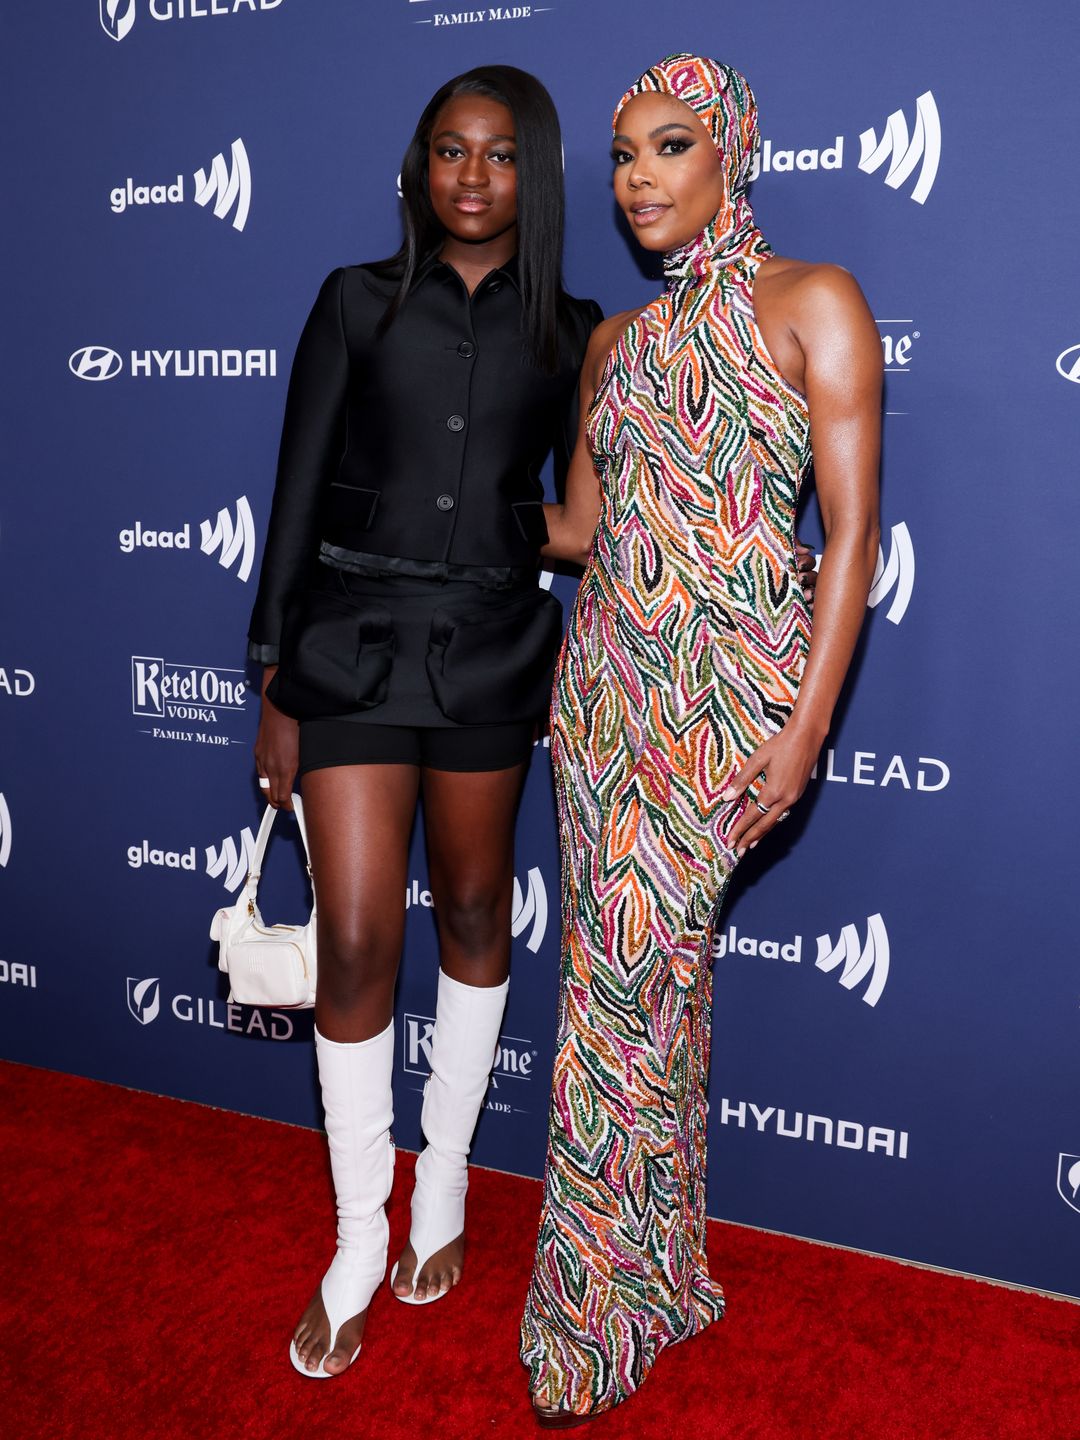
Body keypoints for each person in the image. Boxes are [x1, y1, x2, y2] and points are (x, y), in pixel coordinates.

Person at [520, 54, 882, 1426]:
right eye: (621, 156)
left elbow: (848, 538)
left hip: (729, 711)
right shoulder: (612, 344)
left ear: (732, 152)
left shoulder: (816, 304)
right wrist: (450, 501)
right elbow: (578, 533)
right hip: (604, 700)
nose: (637, 179)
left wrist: (806, 730)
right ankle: (658, 1281)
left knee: (619, 1006)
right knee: (648, 1001)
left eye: (669, 147)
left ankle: (584, 1325)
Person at [247, 65, 604, 1379]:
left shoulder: (574, 329)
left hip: (496, 648)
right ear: (417, 166)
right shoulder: (353, 302)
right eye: (450, 150)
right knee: (351, 937)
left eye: (501, 155)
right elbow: (290, 493)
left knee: (468, 912)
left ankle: (442, 1181)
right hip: (346, 647)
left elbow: (584, 514)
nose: (471, 175)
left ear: (537, 175)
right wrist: (274, 678)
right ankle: (355, 1236)